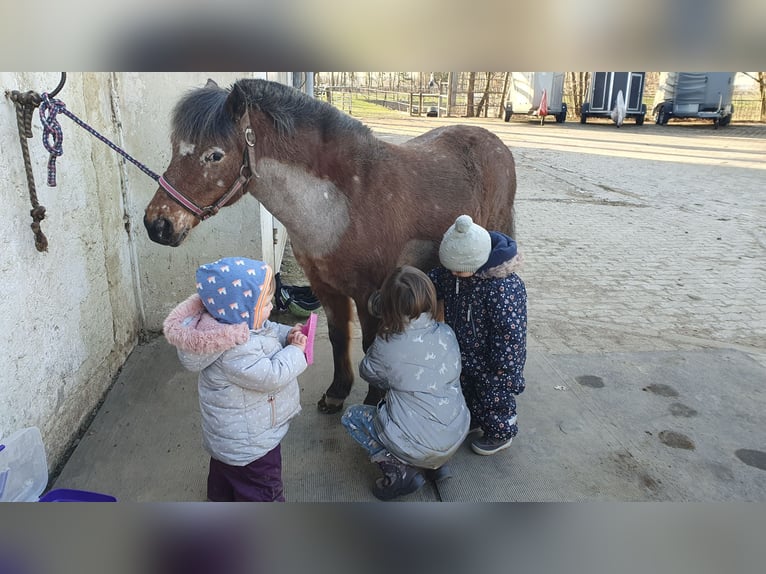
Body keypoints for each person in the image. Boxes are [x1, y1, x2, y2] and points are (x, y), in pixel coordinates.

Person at [163, 256, 308, 501]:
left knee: (225, 474)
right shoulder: (236, 351)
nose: (271, 307)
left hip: (230, 439)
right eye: (266, 304)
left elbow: (266, 330)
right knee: (260, 486)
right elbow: (272, 376)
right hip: (253, 445)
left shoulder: (227, 325)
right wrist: (296, 351)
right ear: (241, 311)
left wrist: (287, 334)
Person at [341, 266, 470, 500]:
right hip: (456, 433)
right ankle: (437, 465)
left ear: (386, 307)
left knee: (351, 417)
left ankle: (400, 472)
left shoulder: (387, 344)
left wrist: (384, 334)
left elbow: (367, 372)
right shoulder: (446, 333)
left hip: (416, 445)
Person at [428, 215, 527, 456]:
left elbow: (510, 332)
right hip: (464, 351)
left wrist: (504, 366)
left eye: (459, 270)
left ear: (477, 263)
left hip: (494, 359)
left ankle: (500, 432)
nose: (453, 273)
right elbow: (434, 281)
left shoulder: (502, 288)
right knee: (467, 388)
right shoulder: (456, 274)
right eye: (450, 268)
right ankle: (473, 418)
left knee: (494, 396)